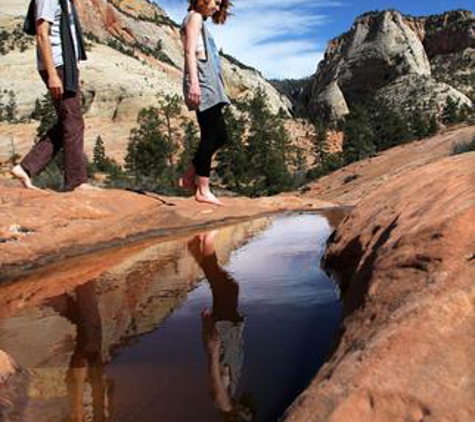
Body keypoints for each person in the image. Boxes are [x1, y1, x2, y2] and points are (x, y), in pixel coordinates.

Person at [11, 0, 91, 192]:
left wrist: (72, 70)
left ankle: (26, 168)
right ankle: (76, 183)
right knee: (73, 122)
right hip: (57, 66)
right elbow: (41, 34)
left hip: (66, 66)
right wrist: (53, 75)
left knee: (67, 121)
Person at [188, 232, 255, 421]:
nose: (248, 413)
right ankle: (198, 247)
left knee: (222, 287)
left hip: (223, 333)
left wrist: (213, 351)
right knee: (229, 287)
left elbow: (216, 386)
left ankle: (206, 240)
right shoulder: (232, 397)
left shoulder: (225, 406)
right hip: (229, 330)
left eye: (246, 417)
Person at [179, 0, 232, 206]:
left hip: (209, 81)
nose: (217, 7)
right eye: (216, 2)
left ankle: (188, 176)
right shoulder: (194, 17)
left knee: (220, 136)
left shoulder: (199, 19)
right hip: (201, 81)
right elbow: (189, 52)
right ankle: (203, 189)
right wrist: (194, 83)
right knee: (211, 135)